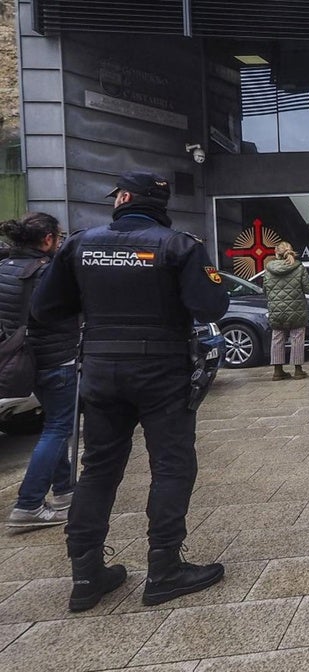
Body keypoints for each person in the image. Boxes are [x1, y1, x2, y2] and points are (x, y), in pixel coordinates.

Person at [32, 171, 230, 612]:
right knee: (172, 466)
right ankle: (164, 568)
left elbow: (46, 308)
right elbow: (212, 305)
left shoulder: (80, 244)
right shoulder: (180, 245)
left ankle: (85, 575)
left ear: (122, 198)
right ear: (160, 204)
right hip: (162, 371)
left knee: (99, 468)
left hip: (102, 371)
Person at [0, 213, 79, 529]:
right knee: (60, 426)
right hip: (53, 359)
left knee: (52, 424)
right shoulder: (46, 273)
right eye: (59, 238)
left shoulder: (4, 268)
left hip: (21, 360)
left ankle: (63, 489)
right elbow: (69, 310)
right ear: (47, 239)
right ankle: (29, 503)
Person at [261, 241, 309, 381]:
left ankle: (278, 371)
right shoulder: (299, 267)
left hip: (276, 310)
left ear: (276, 252)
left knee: (277, 339)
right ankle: (298, 370)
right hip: (297, 309)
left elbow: (265, 291)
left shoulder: (268, 269)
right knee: (297, 338)